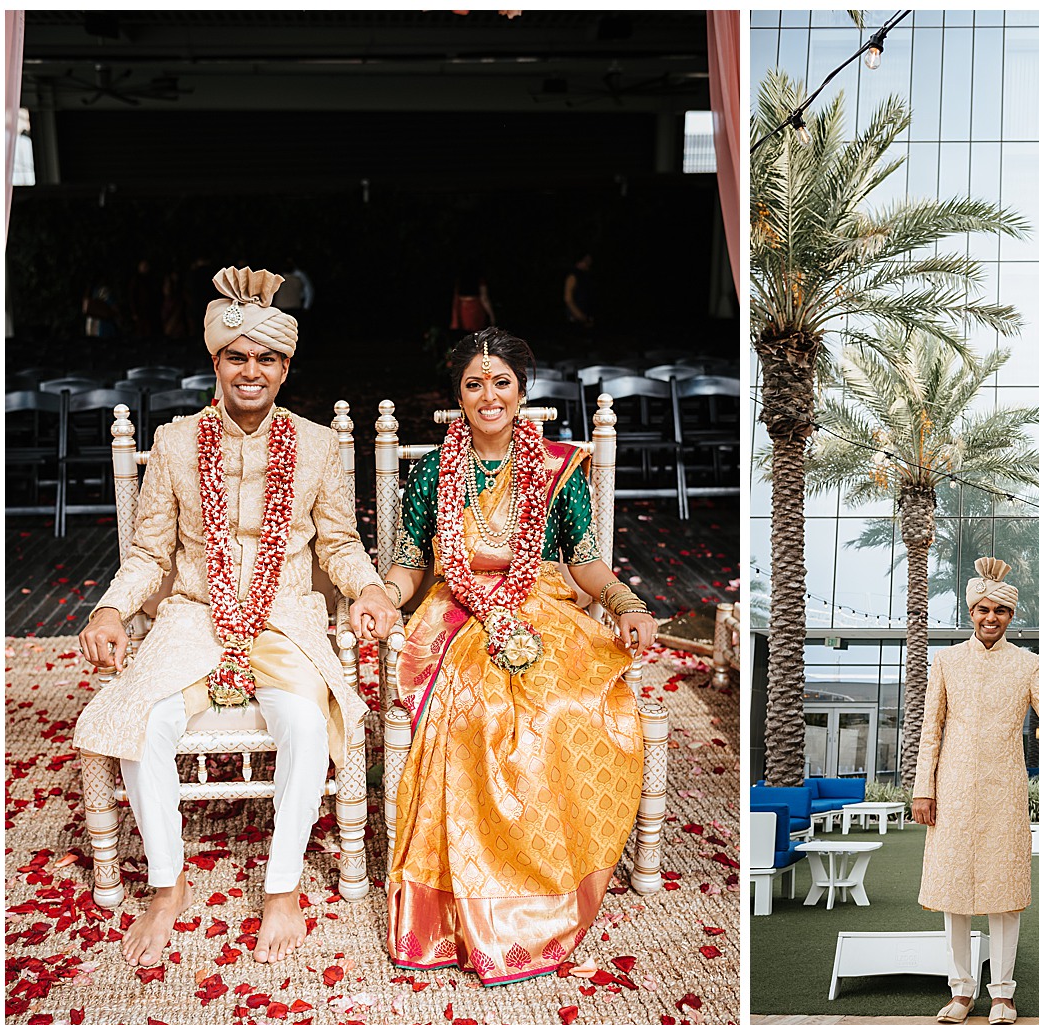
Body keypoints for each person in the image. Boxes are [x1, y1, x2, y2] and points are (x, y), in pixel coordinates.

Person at [74, 265, 400, 969]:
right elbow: (149, 554)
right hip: (195, 615)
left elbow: (340, 544)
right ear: (216, 360)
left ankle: (281, 885)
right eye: (237, 356)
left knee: (309, 723)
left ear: (285, 367)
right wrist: (107, 609)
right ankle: (168, 881)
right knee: (143, 721)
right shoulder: (173, 444)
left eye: (267, 358)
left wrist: (370, 589)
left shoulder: (317, 446)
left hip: (286, 618)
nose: (251, 371)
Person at [379, 325, 657, 986]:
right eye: (474, 384)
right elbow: (411, 562)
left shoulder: (557, 466)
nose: (488, 395)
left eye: (500, 381)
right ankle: (484, 898)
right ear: (459, 395)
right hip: (457, 610)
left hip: (542, 603)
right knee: (475, 715)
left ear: (521, 389)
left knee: (566, 706)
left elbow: (586, 562)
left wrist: (628, 605)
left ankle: (550, 878)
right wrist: (383, 596)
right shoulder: (433, 471)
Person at [911, 557, 1039, 1025]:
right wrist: (924, 790)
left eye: (999, 611)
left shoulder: (1027, 664)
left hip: (1005, 789)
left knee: (1004, 893)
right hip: (953, 789)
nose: (990, 618)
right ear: (971, 612)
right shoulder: (946, 662)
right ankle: (961, 991)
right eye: (982, 609)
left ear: (1010, 616)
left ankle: (1002, 992)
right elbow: (930, 731)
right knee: (954, 892)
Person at [451, 267, 495, 333]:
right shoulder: (480, 279)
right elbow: (484, 298)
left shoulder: (460, 280)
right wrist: (492, 315)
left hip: (463, 307)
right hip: (475, 307)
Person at [563, 252, 595, 328]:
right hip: (574, 319)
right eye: (586, 261)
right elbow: (568, 299)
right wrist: (580, 316)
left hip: (585, 317)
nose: (588, 263)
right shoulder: (573, 276)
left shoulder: (586, 276)